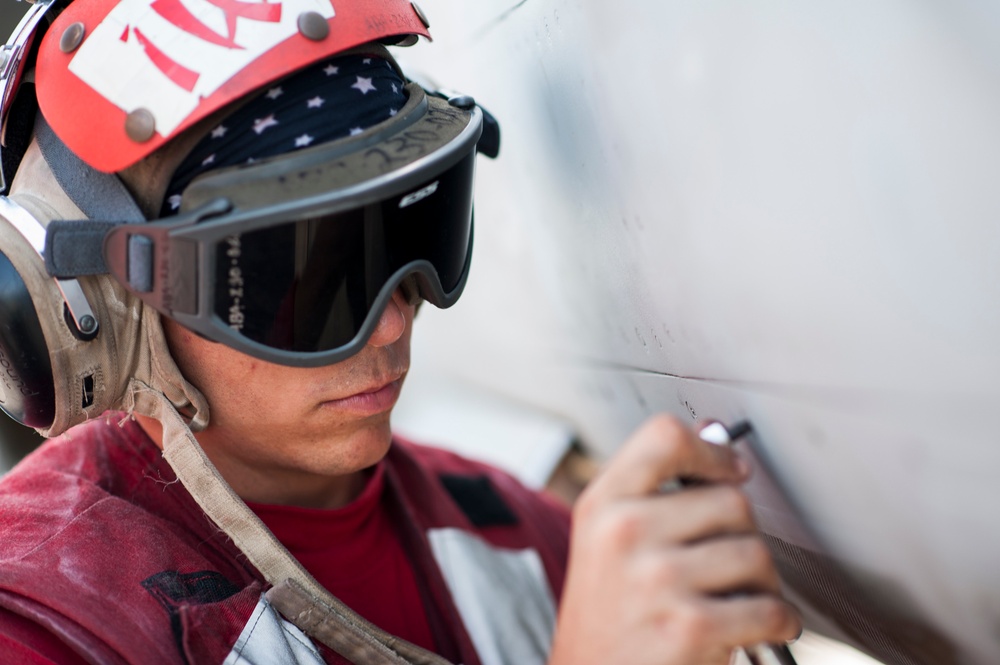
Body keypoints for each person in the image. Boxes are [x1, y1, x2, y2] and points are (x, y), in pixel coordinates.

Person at [0, 0, 801, 663]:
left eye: (411, 232)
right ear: (97, 304)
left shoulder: (520, 533)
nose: (389, 322)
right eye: (305, 274)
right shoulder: (43, 617)